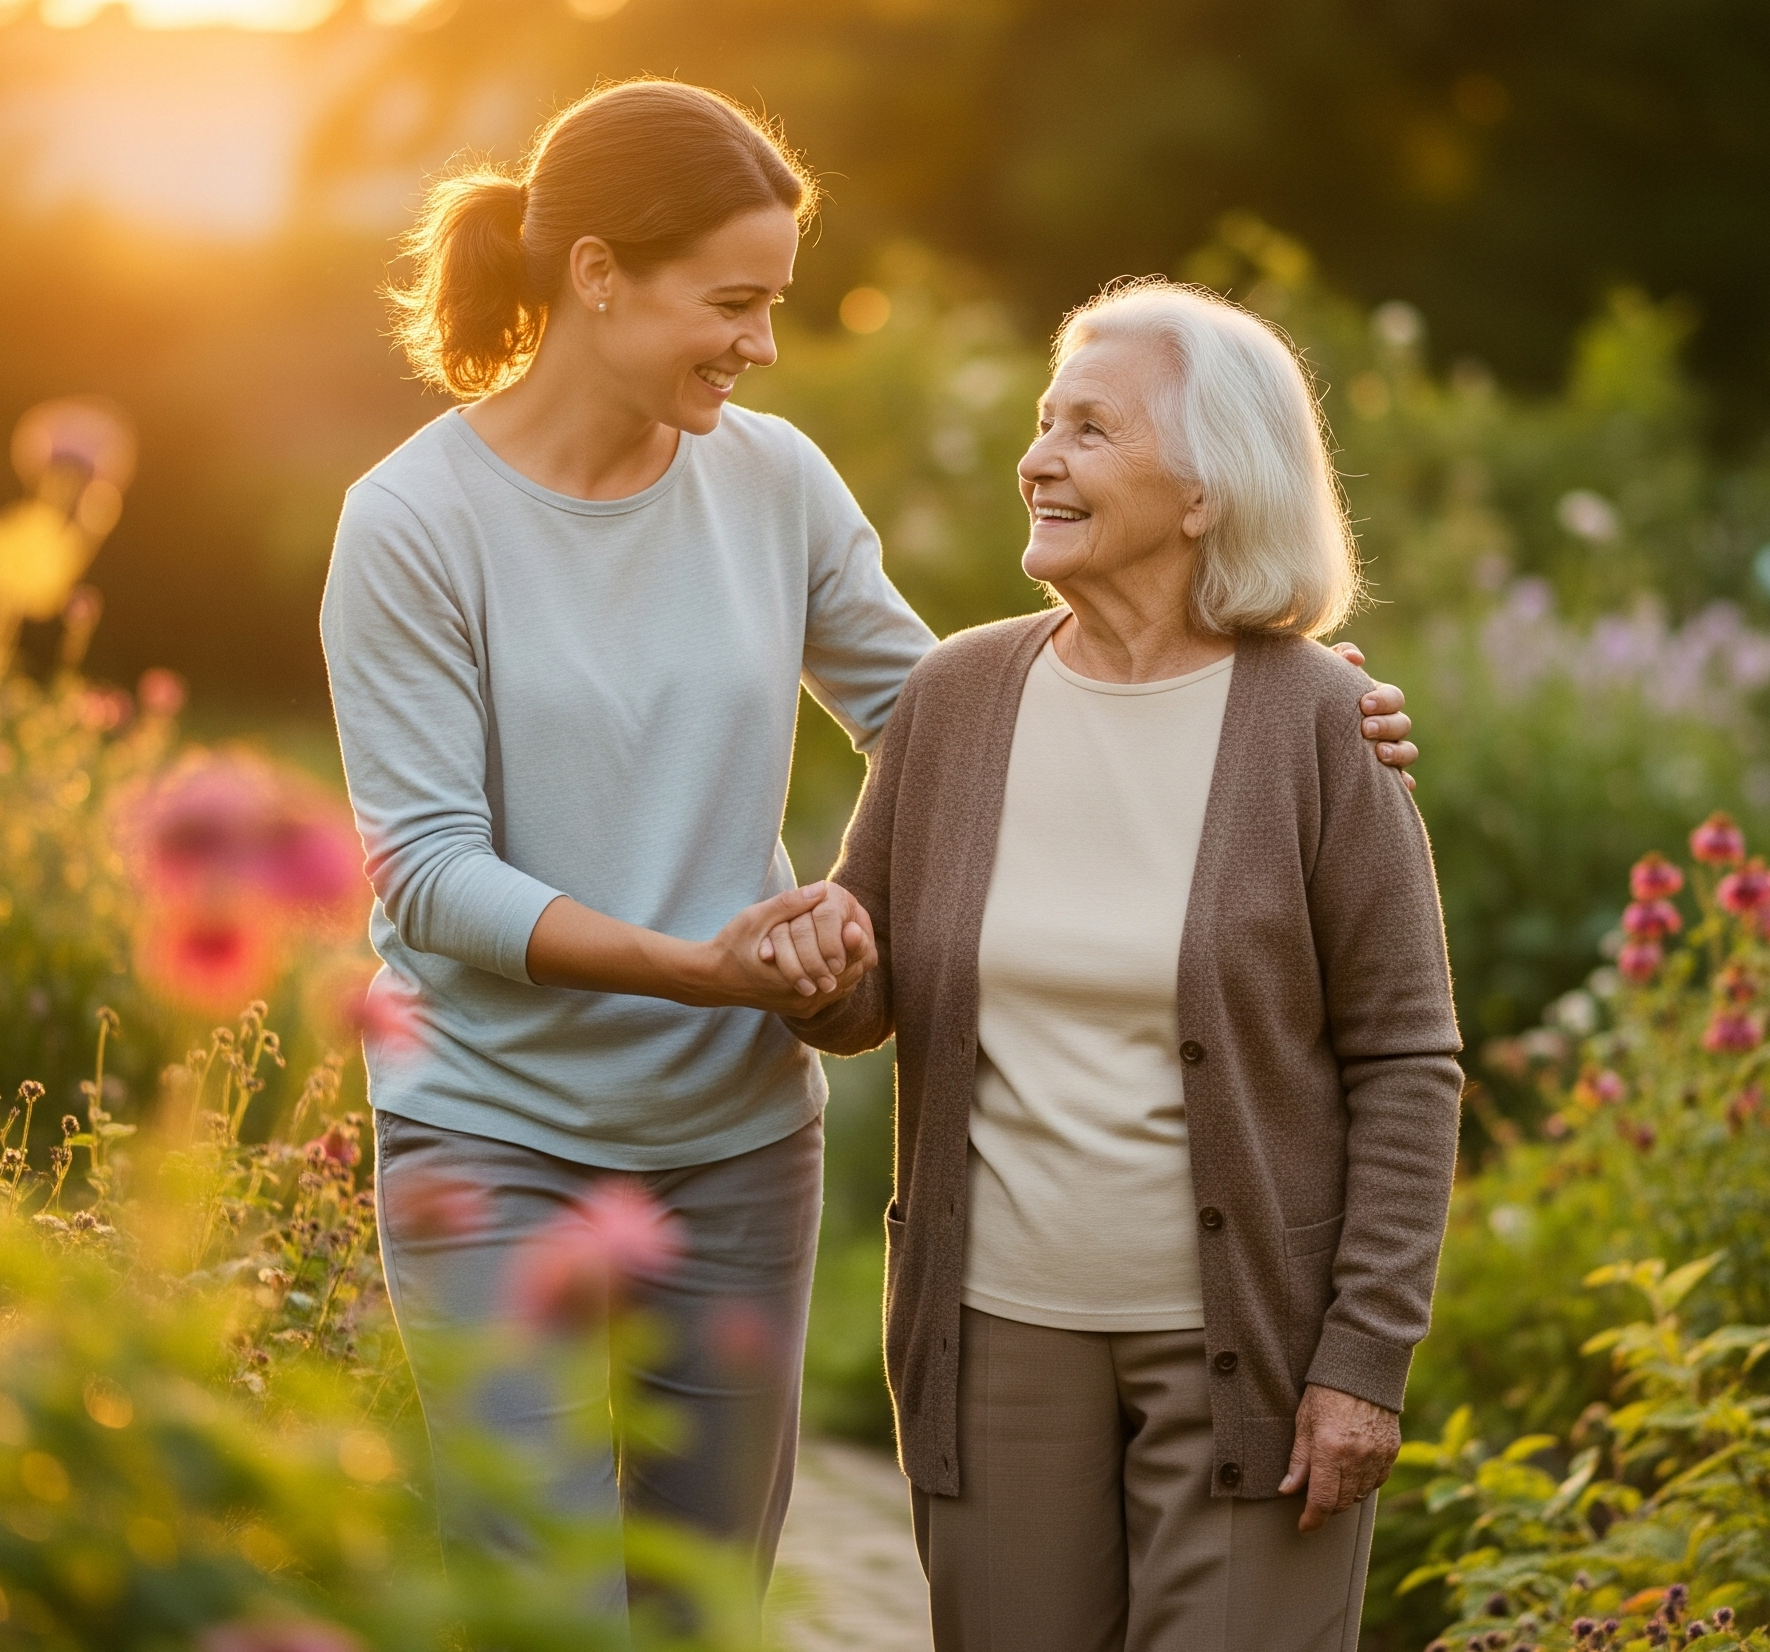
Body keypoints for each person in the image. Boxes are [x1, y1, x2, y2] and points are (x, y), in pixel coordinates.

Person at [321, 78, 1421, 1595]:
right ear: (596, 276)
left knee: (704, 1591)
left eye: (773, 302)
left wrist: (1261, 699)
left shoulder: (769, 479)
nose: (762, 344)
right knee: (541, 1592)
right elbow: (429, 873)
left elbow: (935, 709)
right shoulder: (413, 523)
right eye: (734, 301)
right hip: (496, 1130)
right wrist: (696, 969)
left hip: (728, 1142)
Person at [783, 279, 1464, 1651]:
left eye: (1089, 430)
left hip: (1255, 1359)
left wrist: (1364, 1363)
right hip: (993, 1344)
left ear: (1210, 490)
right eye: (1045, 424)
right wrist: (814, 958)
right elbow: (870, 988)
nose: (1038, 459)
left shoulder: (1324, 726)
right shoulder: (954, 700)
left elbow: (1406, 1058)